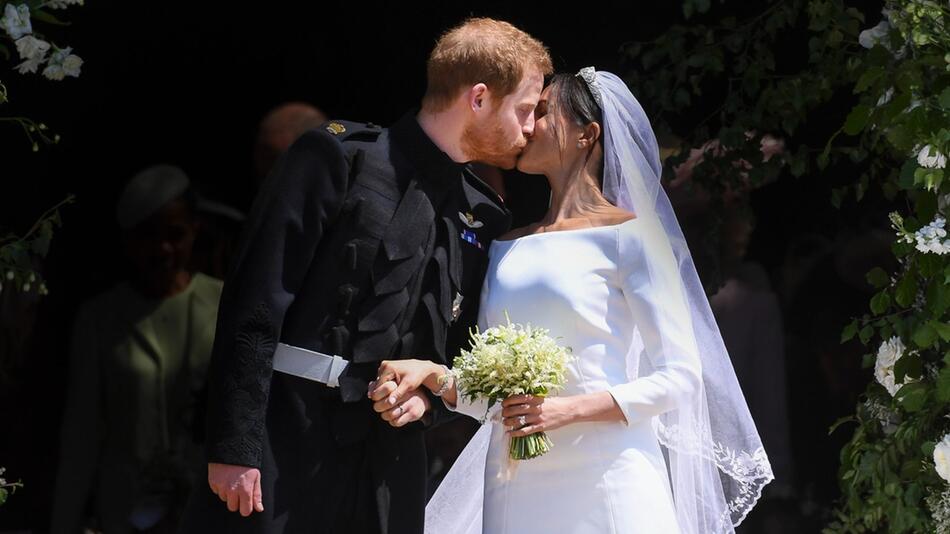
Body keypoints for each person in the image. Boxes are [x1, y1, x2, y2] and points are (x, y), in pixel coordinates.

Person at [177, 17, 552, 534]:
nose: (532, 128)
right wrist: (234, 446)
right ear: (480, 98)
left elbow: (458, 353)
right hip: (286, 439)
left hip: (389, 467)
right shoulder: (336, 158)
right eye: (526, 110)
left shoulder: (484, 215)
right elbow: (254, 305)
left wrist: (426, 401)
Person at [370, 68, 774, 534]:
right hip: (513, 485)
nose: (527, 124)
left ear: (587, 134)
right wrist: (435, 376)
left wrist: (567, 409)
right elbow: (490, 398)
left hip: (607, 476)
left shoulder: (630, 239)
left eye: (542, 112)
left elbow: (681, 378)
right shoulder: (506, 246)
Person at [50, 164, 223, 533]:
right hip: (125, 511)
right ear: (127, 240)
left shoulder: (225, 304)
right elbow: (81, 432)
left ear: (195, 230)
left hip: (207, 505)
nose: (162, 249)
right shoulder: (100, 318)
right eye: (147, 235)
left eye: (174, 234)